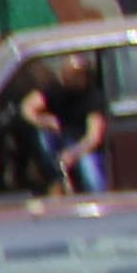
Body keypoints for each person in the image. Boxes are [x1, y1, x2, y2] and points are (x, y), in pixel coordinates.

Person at [49, 53, 112, 191]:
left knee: (88, 163)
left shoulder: (93, 98)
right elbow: (28, 108)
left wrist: (73, 154)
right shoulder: (58, 92)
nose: (64, 77)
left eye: (70, 74)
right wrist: (44, 120)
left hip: (82, 146)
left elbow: (93, 138)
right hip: (61, 139)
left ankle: (99, 198)